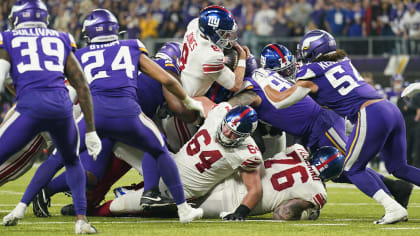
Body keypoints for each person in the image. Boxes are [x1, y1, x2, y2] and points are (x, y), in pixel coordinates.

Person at [11, 9, 205, 224]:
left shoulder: (81, 54)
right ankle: (169, 202)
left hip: (95, 117)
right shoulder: (136, 50)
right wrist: (191, 103)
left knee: (70, 164)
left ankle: (24, 204)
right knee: (158, 148)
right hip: (127, 118)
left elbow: (71, 91)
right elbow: (171, 90)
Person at [261, 29, 420, 224]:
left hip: (370, 113)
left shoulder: (311, 72)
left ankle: (392, 208)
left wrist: (264, 81)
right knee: (399, 167)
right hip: (389, 109)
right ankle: (395, 201)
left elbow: (279, 101)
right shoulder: (343, 60)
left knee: (352, 168)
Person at [0, 0, 101, 233]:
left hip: (30, 108)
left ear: (17, 18)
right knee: (72, 161)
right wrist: (92, 130)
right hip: (61, 109)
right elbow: (82, 86)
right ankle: (81, 221)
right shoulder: (62, 38)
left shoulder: (8, 38)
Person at [77, 103, 263, 221]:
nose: (227, 134)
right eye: (228, 128)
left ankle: (93, 210)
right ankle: (92, 193)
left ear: (245, 136)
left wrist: (241, 212)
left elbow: (254, 189)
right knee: (117, 138)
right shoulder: (219, 112)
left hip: (182, 190)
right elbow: (198, 99)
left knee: (117, 207)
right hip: (170, 163)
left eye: (234, 134)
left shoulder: (246, 152)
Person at [92, 144, 340, 221]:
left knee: (173, 192)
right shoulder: (316, 190)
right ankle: (110, 207)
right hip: (230, 202)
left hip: (226, 175)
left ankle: (127, 193)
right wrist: (309, 210)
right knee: (165, 211)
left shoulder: (297, 152)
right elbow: (282, 214)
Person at [180, 5, 249, 97]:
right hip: (192, 97)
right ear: (212, 32)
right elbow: (236, 85)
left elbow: (213, 41)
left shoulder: (195, 25)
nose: (228, 36)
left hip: (185, 77)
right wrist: (242, 58)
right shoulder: (212, 56)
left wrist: (234, 45)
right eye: (224, 33)